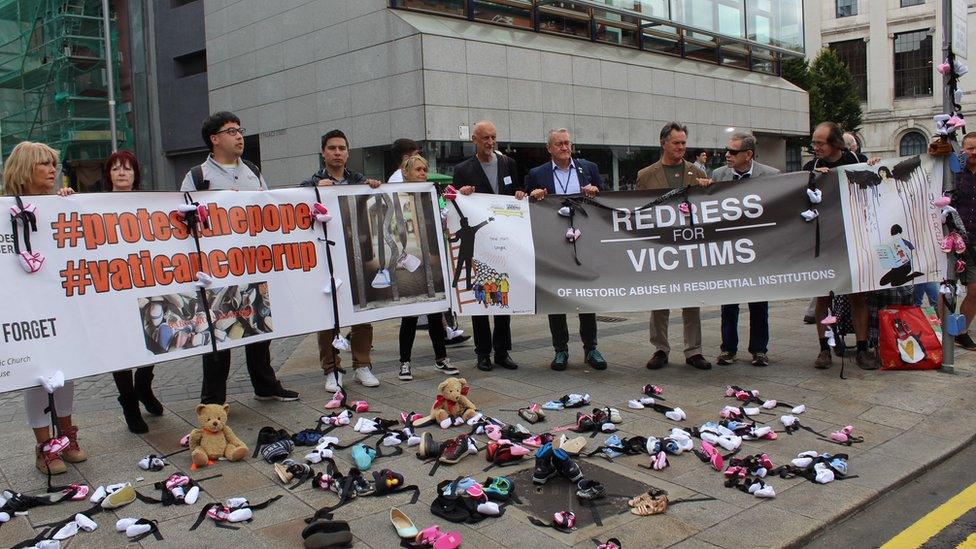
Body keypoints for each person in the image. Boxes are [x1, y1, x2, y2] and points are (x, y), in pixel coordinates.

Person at [180, 111, 299, 403]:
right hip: (217, 269)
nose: (239, 136)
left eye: (239, 130)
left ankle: (266, 385)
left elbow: (268, 212)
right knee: (219, 331)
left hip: (253, 262)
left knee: (260, 325)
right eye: (231, 131)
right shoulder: (198, 176)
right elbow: (182, 218)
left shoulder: (253, 171)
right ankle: (213, 398)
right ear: (214, 139)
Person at [3, 141, 87, 474]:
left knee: (67, 369)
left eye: (54, 164)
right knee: (38, 374)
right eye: (44, 164)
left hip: (61, 300)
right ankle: (45, 446)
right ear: (25, 169)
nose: (53, 170)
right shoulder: (4, 208)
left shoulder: (59, 204)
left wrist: (67, 204)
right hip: (24, 307)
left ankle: (67, 434)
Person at [301, 129, 384, 391]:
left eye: (342, 148)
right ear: (323, 153)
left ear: (348, 153)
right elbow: (299, 216)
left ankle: (362, 365)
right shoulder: (309, 184)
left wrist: (373, 189)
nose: (337, 153)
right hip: (326, 258)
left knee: (362, 311)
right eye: (332, 148)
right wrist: (312, 193)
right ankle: (332, 369)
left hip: (356, 254)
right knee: (329, 316)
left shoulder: (359, 181)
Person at [526, 128, 608, 371]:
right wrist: (533, 197)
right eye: (559, 144)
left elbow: (604, 200)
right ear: (549, 148)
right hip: (553, 244)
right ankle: (560, 349)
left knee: (586, 295)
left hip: (583, 241)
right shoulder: (537, 173)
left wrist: (596, 190)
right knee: (556, 296)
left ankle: (591, 347)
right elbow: (526, 207)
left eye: (567, 143)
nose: (565, 147)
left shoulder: (588, 168)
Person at [804, 122, 880, 369]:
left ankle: (861, 348)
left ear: (835, 143)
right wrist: (813, 181)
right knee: (823, 295)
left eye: (820, 143)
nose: (815, 147)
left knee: (858, 295)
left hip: (854, 238)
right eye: (814, 142)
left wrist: (874, 166)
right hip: (824, 241)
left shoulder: (856, 159)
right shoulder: (811, 167)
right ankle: (824, 348)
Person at [638, 122, 713, 371]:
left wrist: (706, 189)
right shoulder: (646, 175)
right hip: (659, 246)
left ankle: (694, 350)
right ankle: (660, 348)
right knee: (660, 299)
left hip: (689, 244)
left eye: (683, 143)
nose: (681, 147)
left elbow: (709, 206)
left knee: (691, 299)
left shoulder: (697, 172)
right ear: (663, 143)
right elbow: (639, 210)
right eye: (676, 143)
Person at [455, 120, 525, 372]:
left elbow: (517, 191)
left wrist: (519, 194)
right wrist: (461, 193)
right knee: (480, 298)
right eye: (485, 138)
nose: (490, 142)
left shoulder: (508, 163)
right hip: (479, 243)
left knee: (503, 293)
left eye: (493, 137)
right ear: (474, 139)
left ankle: (502, 351)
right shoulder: (463, 169)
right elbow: (455, 201)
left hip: (504, 240)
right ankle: (483, 352)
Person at [104, 151, 164, 433]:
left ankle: (143, 386)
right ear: (109, 174)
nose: (121, 173)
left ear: (135, 173)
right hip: (112, 287)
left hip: (145, 281)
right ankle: (129, 401)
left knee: (152, 337)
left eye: (127, 168)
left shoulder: (147, 203)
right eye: (115, 168)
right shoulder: (92, 204)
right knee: (120, 347)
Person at [710, 132, 780, 367]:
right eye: (726, 151)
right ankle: (728, 349)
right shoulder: (718, 176)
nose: (727, 155)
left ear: (748, 154)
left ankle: (759, 349)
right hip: (730, 249)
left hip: (759, 250)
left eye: (733, 152)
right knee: (728, 303)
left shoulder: (771, 176)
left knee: (759, 303)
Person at [394, 155, 461, 380]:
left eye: (424, 170)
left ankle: (441, 358)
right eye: (418, 170)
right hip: (411, 261)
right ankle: (405, 362)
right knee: (410, 316)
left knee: (435, 313)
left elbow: (446, 219)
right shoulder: (397, 198)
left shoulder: (433, 196)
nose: (423, 173)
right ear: (406, 173)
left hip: (433, 261)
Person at [952, 132, 976, 350]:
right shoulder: (955, 170)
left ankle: (961, 331)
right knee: (947, 287)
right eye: (970, 148)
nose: (974, 152)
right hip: (955, 238)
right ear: (962, 149)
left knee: (975, 290)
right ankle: (942, 331)